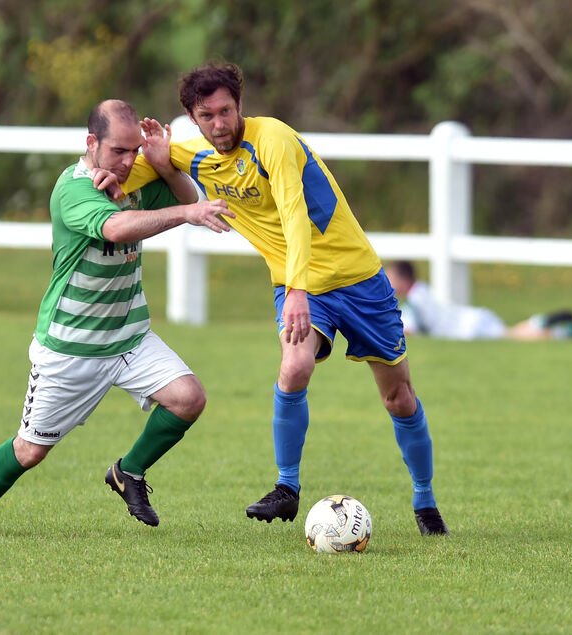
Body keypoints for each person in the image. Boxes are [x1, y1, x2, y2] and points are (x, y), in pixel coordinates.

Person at [112, 62, 450, 535]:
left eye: (226, 111)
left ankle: (424, 499)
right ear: (191, 116)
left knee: (398, 398)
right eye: (206, 116)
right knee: (294, 367)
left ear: (240, 106)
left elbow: (294, 213)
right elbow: (122, 169)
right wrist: (101, 179)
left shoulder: (273, 139)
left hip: (358, 282)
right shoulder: (195, 157)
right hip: (296, 284)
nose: (219, 124)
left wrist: (298, 290)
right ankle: (286, 489)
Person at [0, 99, 233, 534]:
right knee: (30, 452)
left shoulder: (133, 178)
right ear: (92, 142)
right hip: (72, 346)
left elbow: (185, 196)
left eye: (135, 150)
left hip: (129, 336)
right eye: (118, 151)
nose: (129, 161)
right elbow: (118, 228)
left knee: (189, 399)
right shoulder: (73, 187)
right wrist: (184, 213)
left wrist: (165, 166)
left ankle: (127, 472)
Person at [386, 260, 572, 340]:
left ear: (403, 280)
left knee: (514, 336)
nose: (387, 283)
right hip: (474, 318)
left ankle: (561, 333)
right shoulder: (423, 289)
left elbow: (406, 331)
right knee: (512, 332)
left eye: (391, 278)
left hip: (470, 328)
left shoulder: (412, 305)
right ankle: (546, 324)